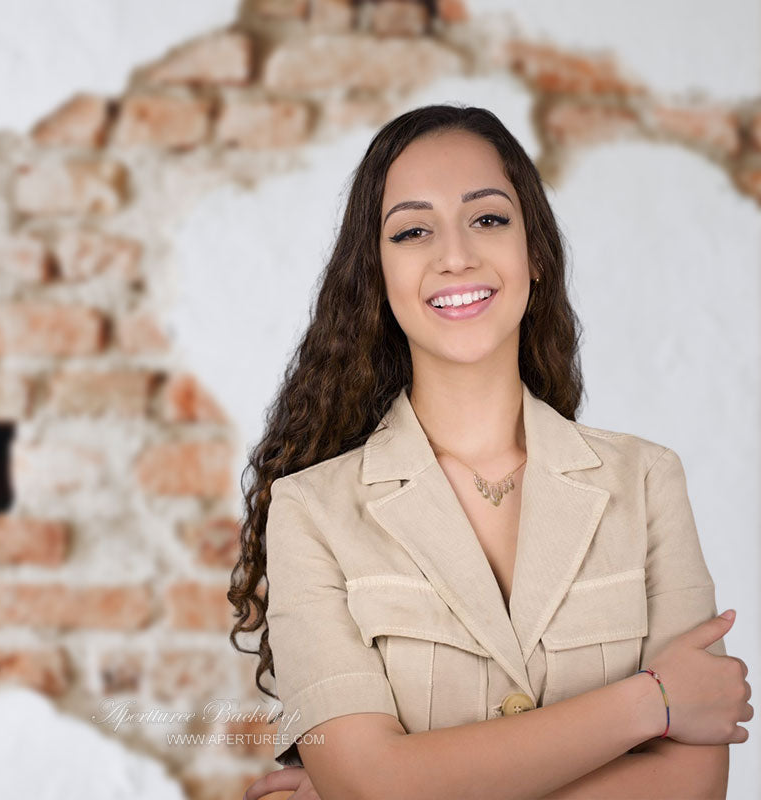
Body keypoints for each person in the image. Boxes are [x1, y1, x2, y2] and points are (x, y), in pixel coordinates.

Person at [228, 104, 753, 800]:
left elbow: (692, 787)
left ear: (533, 250)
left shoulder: (648, 482)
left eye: (488, 218)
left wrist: (398, 786)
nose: (455, 255)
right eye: (413, 231)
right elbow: (371, 784)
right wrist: (650, 703)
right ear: (376, 276)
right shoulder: (310, 512)